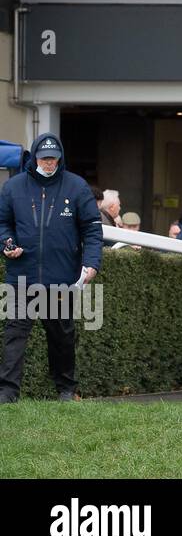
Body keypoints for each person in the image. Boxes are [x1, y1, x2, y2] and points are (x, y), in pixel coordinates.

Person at [0, 133, 102, 403]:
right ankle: (8, 393)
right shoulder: (13, 187)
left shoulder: (77, 187)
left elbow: (92, 230)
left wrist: (91, 264)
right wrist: (6, 243)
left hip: (60, 280)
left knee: (61, 337)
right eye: (44, 158)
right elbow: (3, 224)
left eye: (53, 159)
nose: (49, 163)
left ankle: (65, 389)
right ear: (34, 158)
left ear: (60, 159)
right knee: (14, 335)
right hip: (21, 277)